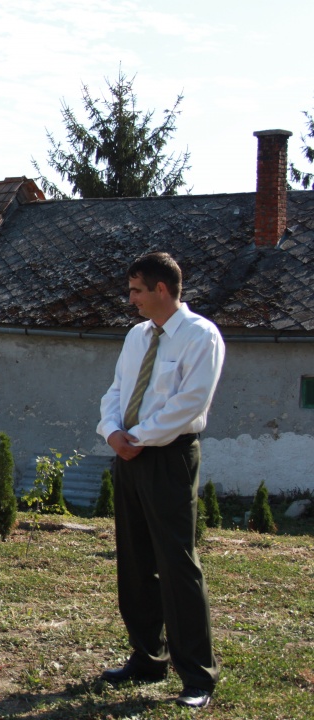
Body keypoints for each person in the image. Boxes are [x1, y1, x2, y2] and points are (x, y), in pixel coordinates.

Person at [97, 252, 224, 709]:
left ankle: (198, 677)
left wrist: (141, 437)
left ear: (162, 290)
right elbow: (118, 390)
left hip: (169, 456)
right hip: (128, 455)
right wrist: (112, 432)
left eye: (137, 291)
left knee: (176, 563)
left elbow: (191, 401)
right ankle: (147, 658)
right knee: (134, 561)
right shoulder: (137, 336)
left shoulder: (200, 336)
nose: (131, 299)